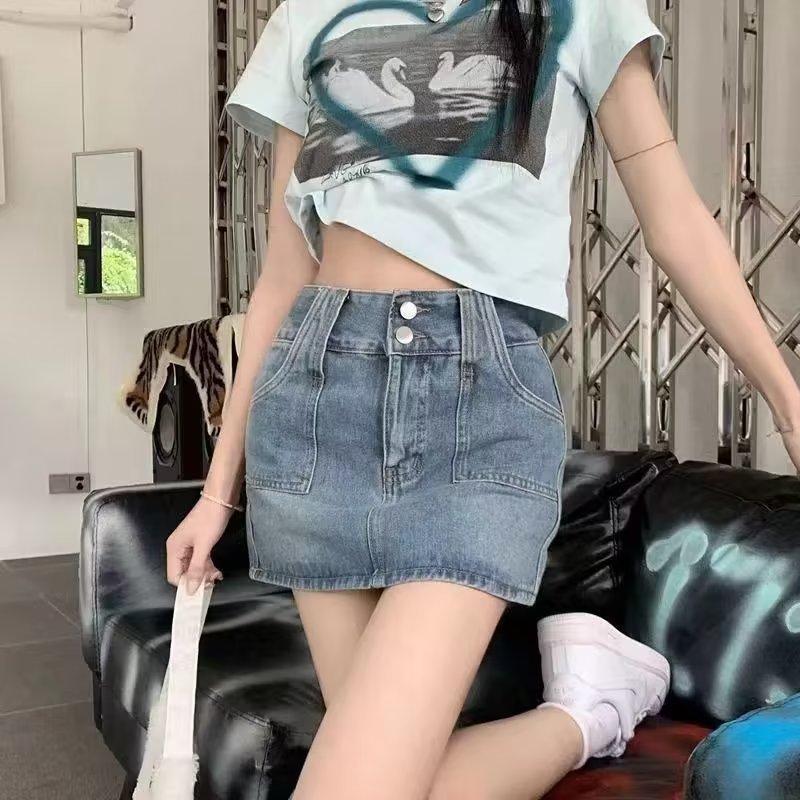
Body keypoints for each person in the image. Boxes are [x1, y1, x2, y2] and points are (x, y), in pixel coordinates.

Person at [165, 1, 800, 798]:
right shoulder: (306, 13)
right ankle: (587, 711)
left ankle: (585, 710)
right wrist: (217, 492)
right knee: (394, 780)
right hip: (317, 402)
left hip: (478, 401)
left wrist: (786, 398)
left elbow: (675, 220)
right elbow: (284, 274)